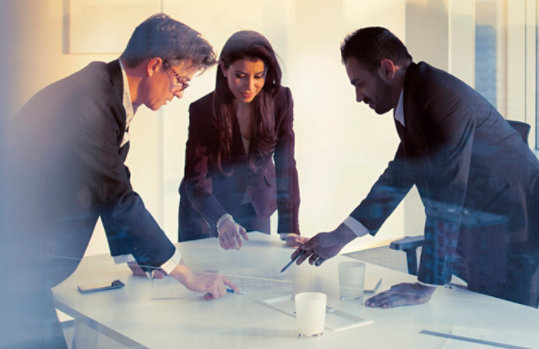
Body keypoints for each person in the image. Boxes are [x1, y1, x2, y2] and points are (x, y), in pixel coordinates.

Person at [0, 14, 238, 348]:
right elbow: (117, 195)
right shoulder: (90, 103)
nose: (180, 93)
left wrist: (135, 255)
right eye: (181, 81)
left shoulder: (104, 87)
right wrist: (187, 275)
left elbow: (107, 180)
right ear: (155, 66)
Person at [293, 27, 539, 308]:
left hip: (521, 222)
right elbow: (397, 177)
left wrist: (426, 284)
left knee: (511, 319)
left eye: (359, 84)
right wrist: (341, 236)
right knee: (483, 314)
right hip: (489, 223)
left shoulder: (437, 100)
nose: (359, 97)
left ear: (387, 69)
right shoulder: (412, 99)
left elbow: (447, 196)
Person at [178, 30, 307, 250]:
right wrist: (222, 220)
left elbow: (286, 165)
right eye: (240, 75)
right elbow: (195, 178)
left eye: (259, 76)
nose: (249, 86)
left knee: (255, 275)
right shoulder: (202, 110)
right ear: (224, 69)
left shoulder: (281, 100)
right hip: (208, 209)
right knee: (204, 275)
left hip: (257, 205)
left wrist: (290, 229)